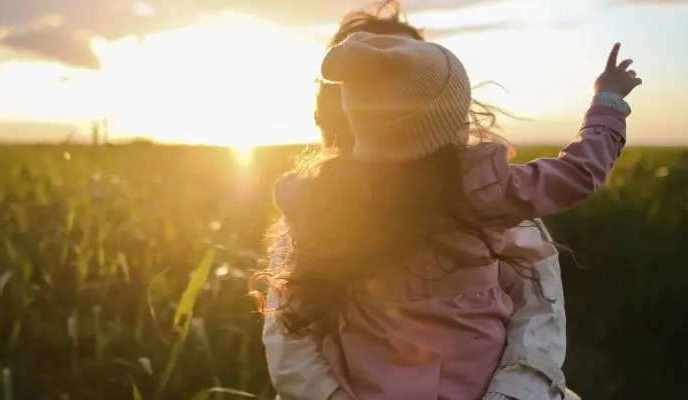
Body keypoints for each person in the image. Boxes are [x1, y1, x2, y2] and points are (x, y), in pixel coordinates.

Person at [256, 3, 640, 399]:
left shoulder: (321, 200)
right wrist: (607, 103)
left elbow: (537, 319)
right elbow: (292, 350)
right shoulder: (487, 190)